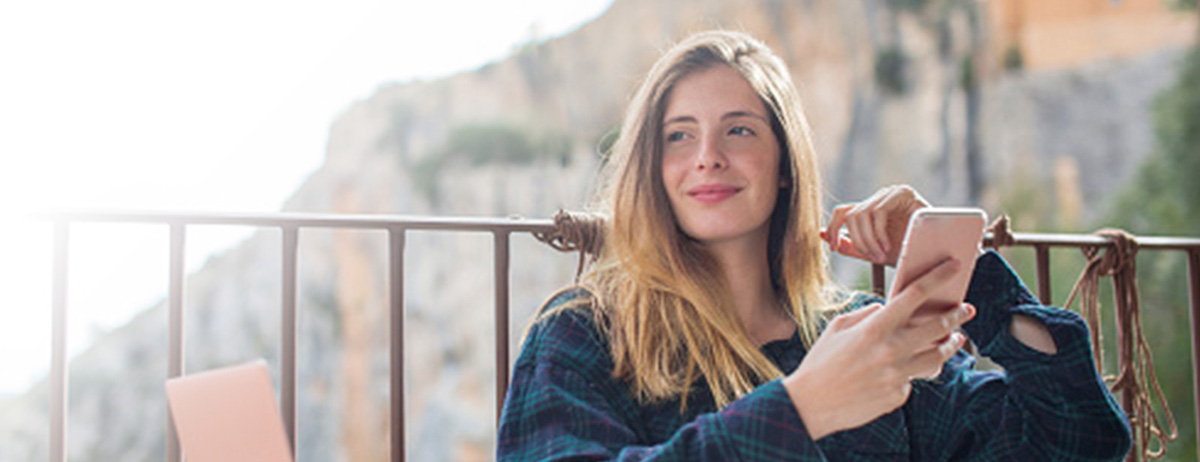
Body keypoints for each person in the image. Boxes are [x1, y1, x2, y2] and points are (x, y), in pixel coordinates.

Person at [497, 30, 1131, 461]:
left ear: (784, 167)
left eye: (739, 130)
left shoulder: (863, 339)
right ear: (649, 166)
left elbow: (1080, 440)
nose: (707, 157)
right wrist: (803, 408)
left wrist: (963, 274)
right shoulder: (583, 335)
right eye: (679, 136)